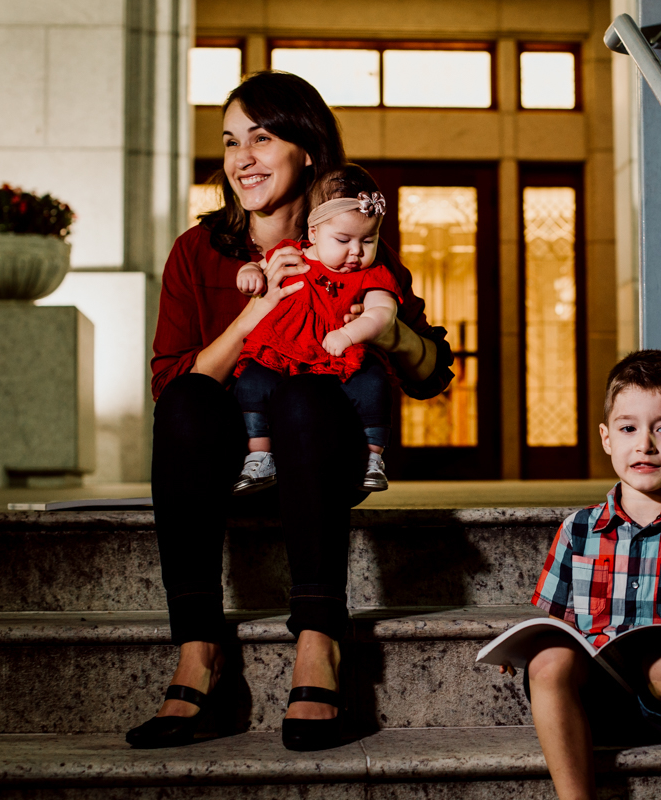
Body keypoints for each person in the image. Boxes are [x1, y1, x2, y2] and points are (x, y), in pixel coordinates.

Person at [127, 71, 453, 752]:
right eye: (231, 141)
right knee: (190, 396)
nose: (242, 157)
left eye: (262, 137)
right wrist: (261, 306)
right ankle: (198, 649)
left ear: (305, 149)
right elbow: (170, 386)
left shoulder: (353, 241)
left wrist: (385, 327)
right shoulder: (199, 250)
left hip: (315, 443)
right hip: (229, 447)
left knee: (303, 391)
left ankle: (318, 639)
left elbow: (430, 377)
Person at [503, 349, 661, 800]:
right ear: (606, 438)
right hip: (591, 701)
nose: (645, 444)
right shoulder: (577, 529)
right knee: (547, 658)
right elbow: (552, 624)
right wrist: (521, 647)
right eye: (629, 428)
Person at [231, 164, 401, 495]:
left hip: (339, 353)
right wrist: (250, 272)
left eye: (369, 240)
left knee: (373, 385)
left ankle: (372, 457)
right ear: (313, 232)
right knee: (252, 382)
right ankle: (260, 455)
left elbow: (384, 313)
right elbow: (261, 266)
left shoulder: (371, 274)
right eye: (343, 239)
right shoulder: (290, 256)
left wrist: (350, 334)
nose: (356, 251)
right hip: (284, 347)